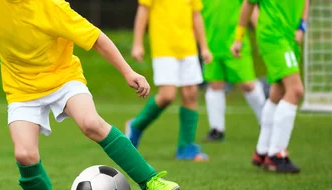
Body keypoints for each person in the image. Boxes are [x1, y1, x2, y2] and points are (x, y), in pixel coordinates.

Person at [0, 0, 180, 190]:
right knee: (24, 155)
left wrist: (128, 71)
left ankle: (150, 181)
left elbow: (96, 38)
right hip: (21, 89)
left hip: (63, 79)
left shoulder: (52, 7)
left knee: (91, 123)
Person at [125, 0, 212, 161]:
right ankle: (136, 126)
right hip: (163, 47)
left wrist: (204, 47)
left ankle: (186, 147)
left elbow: (196, 15)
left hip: (188, 48)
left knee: (191, 93)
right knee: (167, 96)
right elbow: (143, 11)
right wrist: (137, 43)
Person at [231, 0, 309, 173]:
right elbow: (248, 4)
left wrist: (302, 26)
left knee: (279, 92)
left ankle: (262, 151)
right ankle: (276, 154)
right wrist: (238, 38)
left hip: (289, 36)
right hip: (273, 35)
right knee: (295, 91)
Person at [201, 0, 266, 142]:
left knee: (248, 84)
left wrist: (260, 35)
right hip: (212, 45)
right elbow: (196, 14)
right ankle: (217, 129)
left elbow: (251, 8)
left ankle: (266, 123)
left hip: (236, 44)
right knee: (215, 85)